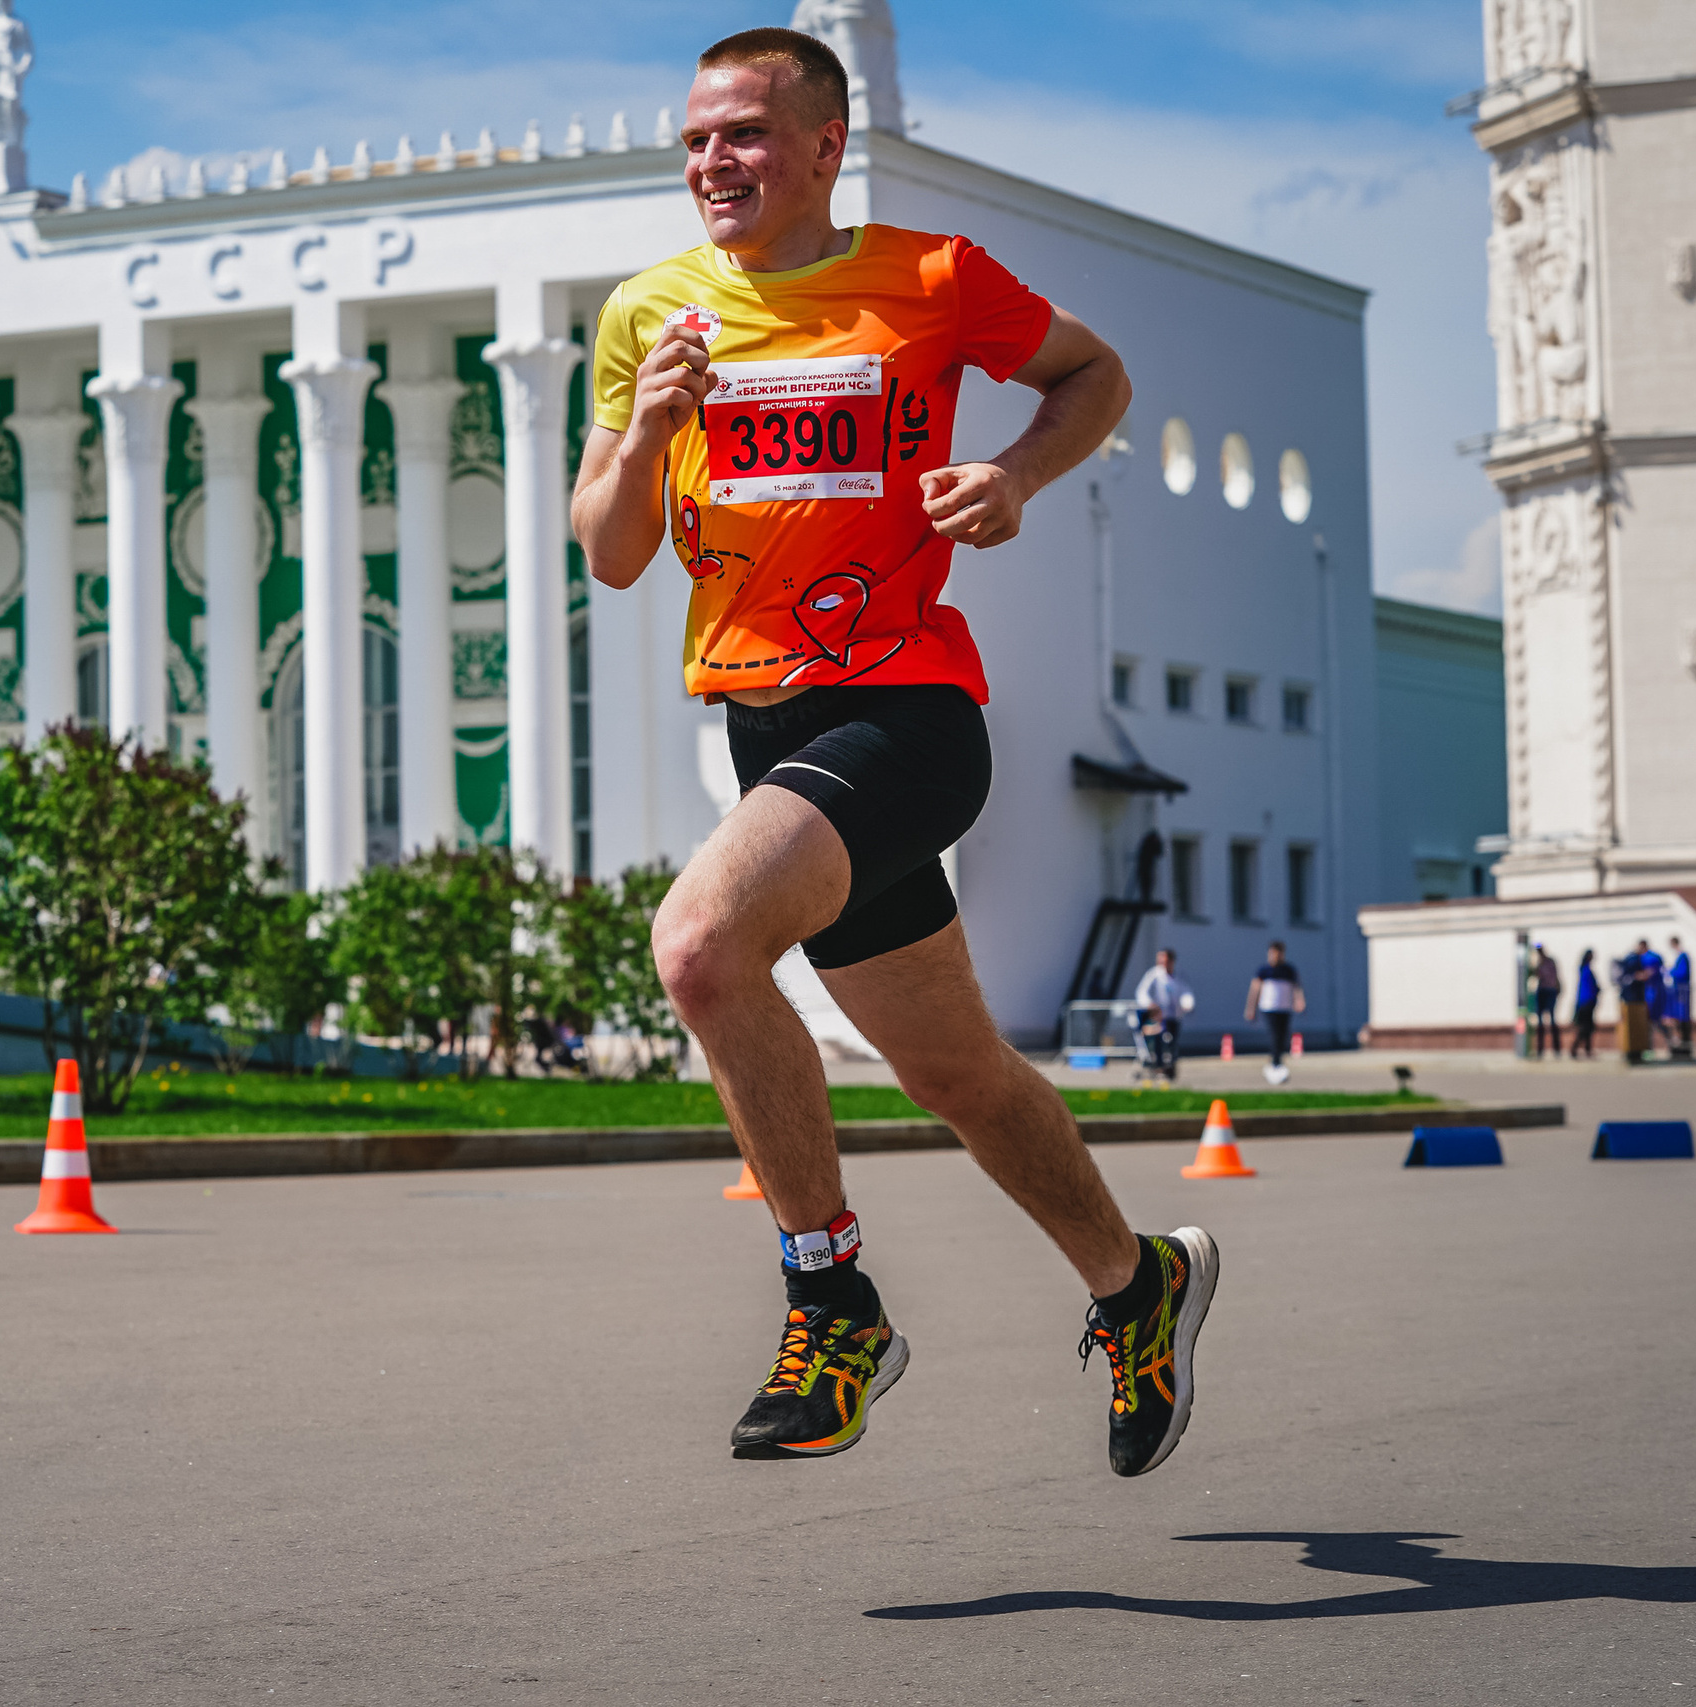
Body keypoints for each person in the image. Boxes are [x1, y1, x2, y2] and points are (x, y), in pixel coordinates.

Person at [570, 27, 1215, 1478]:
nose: (710, 162)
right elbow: (612, 553)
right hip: (763, 721)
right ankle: (1137, 1283)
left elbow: (1093, 375)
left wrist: (1016, 475)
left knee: (699, 948)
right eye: (693, 139)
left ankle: (830, 1298)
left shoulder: (930, 278)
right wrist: (641, 434)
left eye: (741, 133)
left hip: (907, 708)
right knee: (960, 1073)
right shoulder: (649, 313)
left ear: (821, 148)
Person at [1243, 941, 1304, 1082]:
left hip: (1284, 1007)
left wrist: (1299, 1001)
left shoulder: (1288, 970)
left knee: (1283, 1036)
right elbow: (1255, 989)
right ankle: (1275, 1063)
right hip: (1269, 1008)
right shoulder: (1264, 970)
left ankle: (1278, 1061)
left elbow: (1297, 987)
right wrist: (1251, 1008)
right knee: (1275, 1035)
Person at [1135, 948, 1194, 1082]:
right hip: (1157, 1016)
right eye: (1160, 960)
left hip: (1173, 1016)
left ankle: (1170, 1067)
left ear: (1171, 962)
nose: (1162, 963)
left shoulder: (1178, 977)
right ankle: (1158, 1066)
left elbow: (1186, 993)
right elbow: (1142, 992)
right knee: (1157, 1040)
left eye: (1165, 961)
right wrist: (1150, 1004)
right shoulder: (1154, 975)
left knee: (1172, 1042)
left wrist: (1187, 1004)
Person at [1531, 945, 1562, 1058]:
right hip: (1543, 992)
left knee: (1552, 1021)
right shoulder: (1539, 963)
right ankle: (1540, 1050)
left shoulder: (1548, 962)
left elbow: (1555, 977)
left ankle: (1556, 1050)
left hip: (1549, 992)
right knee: (1541, 1023)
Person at [1666, 934, 1693, 1056]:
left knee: (1683, 1019)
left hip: (1682, 991)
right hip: (1679, 991)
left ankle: (1686, 1045)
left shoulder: (1683, 956)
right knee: (1678, 1019)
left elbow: (1682, 973)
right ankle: (1682, 1044)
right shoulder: (1680, 956)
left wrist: (1670, 971)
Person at [1572, 948, 1599, 1058]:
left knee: (1588, 1027)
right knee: (1585, 1028)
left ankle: (1587, 1048)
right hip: (1586, 1002)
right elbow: (1592, 987)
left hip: (1586, 1002)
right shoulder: (1586, 971)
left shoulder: (1584, 970)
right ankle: (1574, 1048)